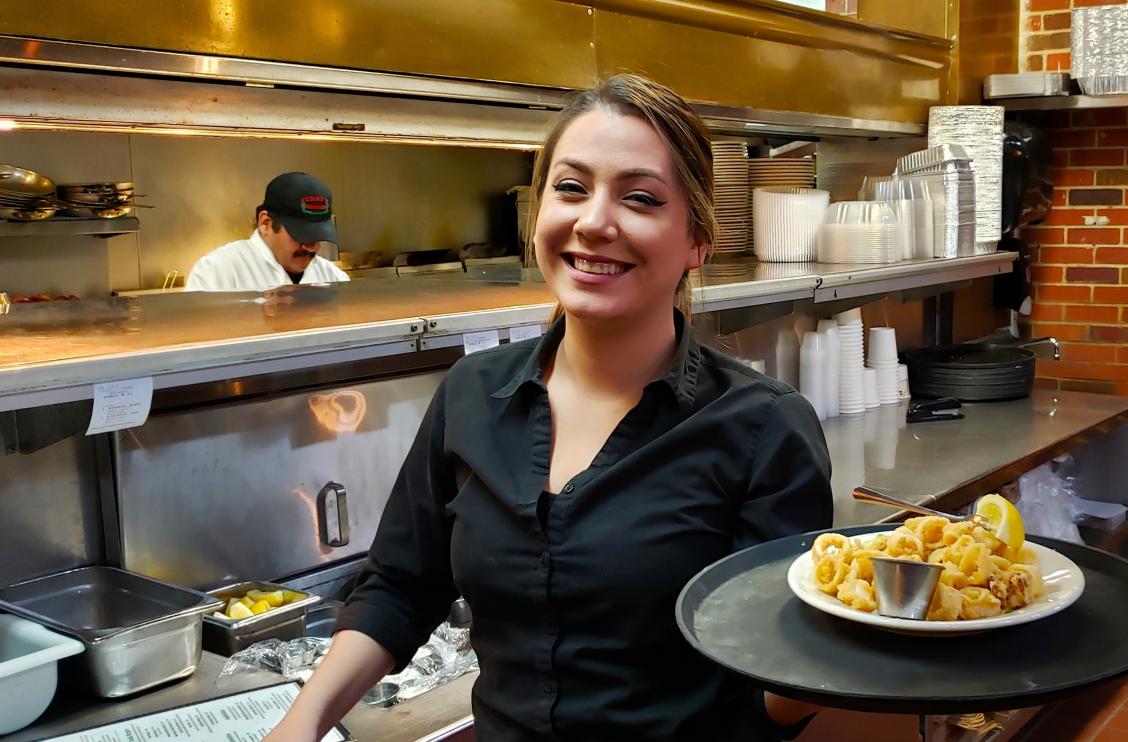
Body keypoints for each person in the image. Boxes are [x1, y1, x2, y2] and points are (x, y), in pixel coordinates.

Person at [265, 74, 832, 742]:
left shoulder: (763, 428)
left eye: (640, 198)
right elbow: (400, 586)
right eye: (571, 188)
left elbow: (779, 676)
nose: (593, 222)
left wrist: (847, 657)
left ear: (696, 241)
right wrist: (302, 722)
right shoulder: (472, 393)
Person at [186, 172, 350, 291]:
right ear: (265, 223)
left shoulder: (334, 278)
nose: (312, 247)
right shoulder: (216, 272)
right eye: (302, 235)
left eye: (317, 237)